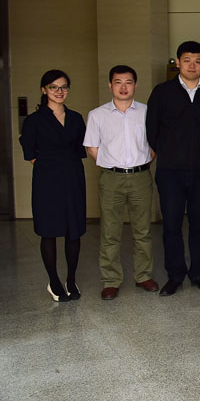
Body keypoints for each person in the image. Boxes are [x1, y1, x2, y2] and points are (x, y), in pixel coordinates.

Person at [146, 40, 200, 296]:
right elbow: (152, 130)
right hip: (170, 171)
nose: (192, 65)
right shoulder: (162, 92)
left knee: (199, 223)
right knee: (171, 224)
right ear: (178, 62)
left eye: (197, 61)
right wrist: (170, 152)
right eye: (187, 60)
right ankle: (175, 275)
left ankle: (198, 273)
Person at [84, 65, 157, 301]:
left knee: (143, 230)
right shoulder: (97, 115)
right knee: (110, 231)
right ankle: (111, 280)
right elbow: (92, 147)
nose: (123, 87)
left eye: (128, 82)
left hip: (140, 177)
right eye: (118, 82)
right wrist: (111, 164)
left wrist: (141, 162)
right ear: (110, 85)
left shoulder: (147, 112)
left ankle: (143, 275)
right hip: (111, 178)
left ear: (135, 85)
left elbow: (155, 144)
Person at [19, 69, 86, 302]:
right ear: (44, 89)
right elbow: (30, 153)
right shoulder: (34, 120)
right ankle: (54, 281)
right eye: (53, 87)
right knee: (48, 230)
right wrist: (51, 165)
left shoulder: (76, 118)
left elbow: (81, 148)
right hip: (47, 181)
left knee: (73, 230)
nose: (59, 91)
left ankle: (71, 279)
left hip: (73, 179)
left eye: (64, 87)